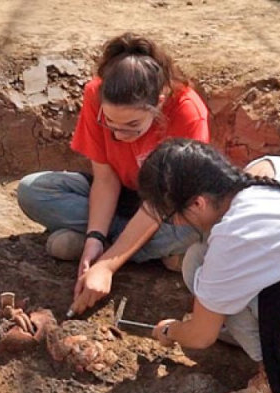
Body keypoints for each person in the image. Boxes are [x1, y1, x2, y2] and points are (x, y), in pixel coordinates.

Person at [139, 138, 280, 393]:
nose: (178, 224)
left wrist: (171, 331)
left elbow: (200, 336)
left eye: (173, 217)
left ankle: (274, 381)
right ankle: (258, 336)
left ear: (197, 203)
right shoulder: (271, 168)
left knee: (209, 270)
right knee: (203, 261)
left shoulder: (238, 233)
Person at [16, 33, 209, 315]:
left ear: (159, 101)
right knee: (32, 190)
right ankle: (140, 250)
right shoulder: (96, 93)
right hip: (121, 195)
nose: (119, 134)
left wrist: (106, 265)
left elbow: (160, 204)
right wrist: (95, 236)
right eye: (111, 123)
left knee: (195, 228)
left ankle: (115, 247)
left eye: (132, 125)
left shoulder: (187, 112)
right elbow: (105, 179)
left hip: (165, 206)